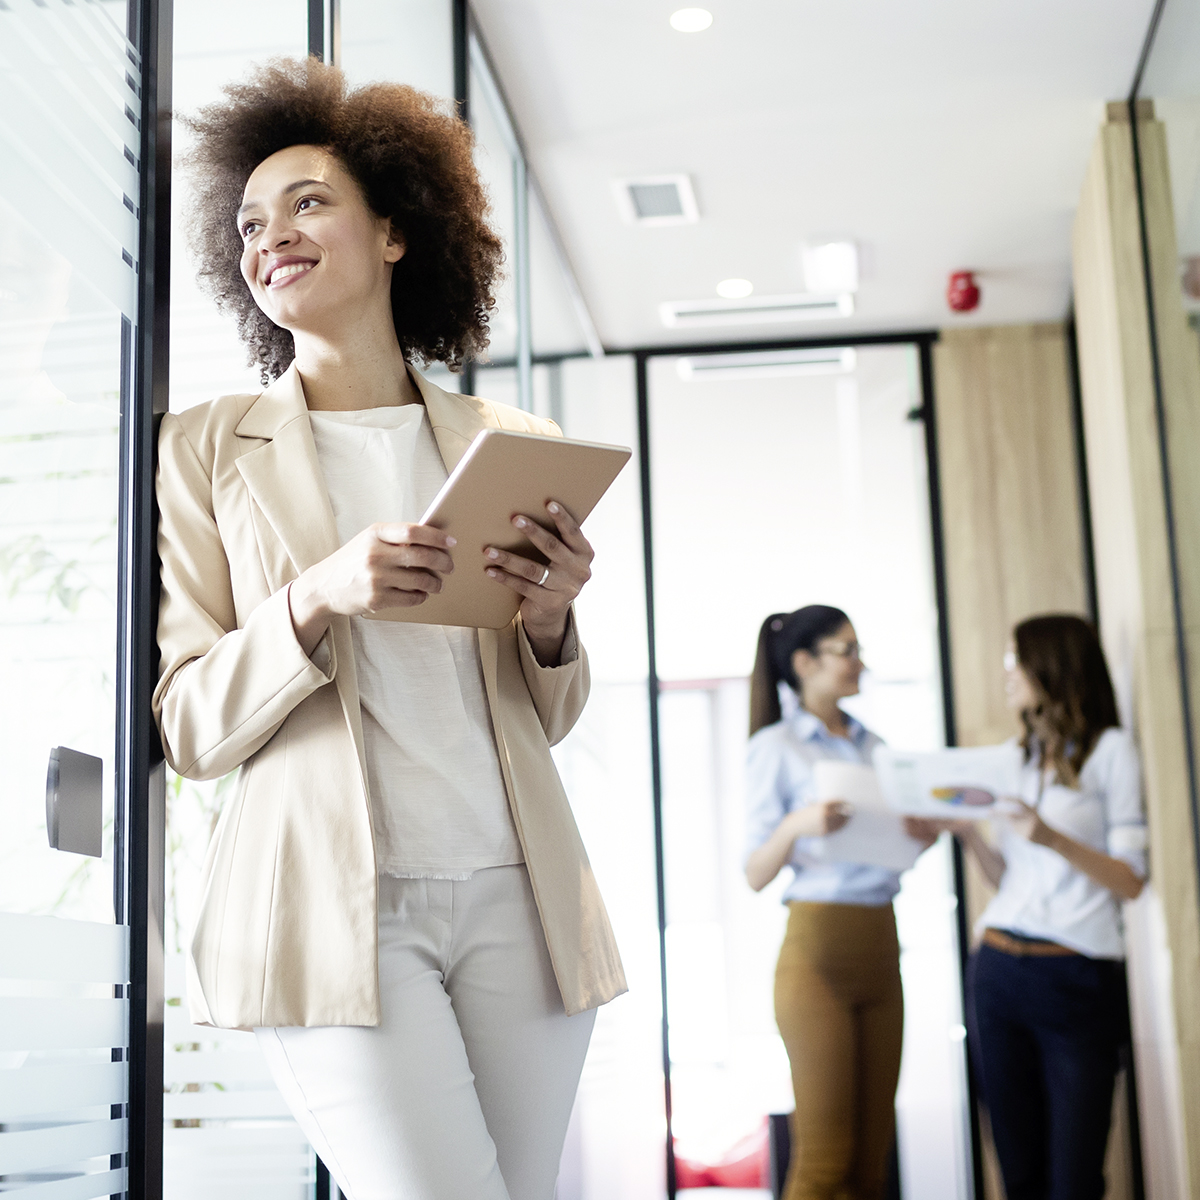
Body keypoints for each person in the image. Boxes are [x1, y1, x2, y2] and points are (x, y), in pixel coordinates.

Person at [151, 58, 625, 1200]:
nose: (273, 236)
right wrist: (315, 598)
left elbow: (545, 714)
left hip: (522, 896)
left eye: (308, 203)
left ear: (396, 233)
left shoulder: (503, 435)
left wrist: (553, 617)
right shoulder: (205, 448)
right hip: (330, 909)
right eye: (250, 223)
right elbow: (186, 725)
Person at [946, 614, 1145, 1200]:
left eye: (1016, 660)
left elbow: (1131, 880)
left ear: (1052, 665)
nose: (1007, 674)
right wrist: (971, 837)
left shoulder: (1111, 752)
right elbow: (1009, 878)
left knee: (1074, 1178)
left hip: (1077, 976)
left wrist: (1053, 838)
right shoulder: (1015, 759)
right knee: (1019, 1172)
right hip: (999, 970)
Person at [744, 605, 932, 1200]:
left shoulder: (876, 747)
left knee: (871, 1168)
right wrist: (799, 823)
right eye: (846, 650)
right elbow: (754, 872)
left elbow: (887, 850)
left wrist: (918, 835)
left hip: (881, 942)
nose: (860, 662)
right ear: (805, 663)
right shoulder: (776, 747)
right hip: (816, 955)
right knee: (826, 1164)